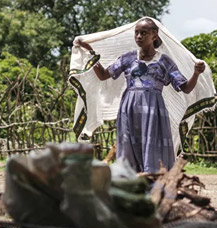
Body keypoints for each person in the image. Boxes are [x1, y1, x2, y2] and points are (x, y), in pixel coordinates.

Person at [77, 18, 206, 173]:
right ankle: (130, 180)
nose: (138, 36)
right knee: (128, 142)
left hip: (154, 110)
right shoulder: (128, 58)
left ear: (154, 35)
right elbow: (104, 75)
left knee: (152, 143)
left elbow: (185, 88)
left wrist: (196, 74)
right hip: (129, 108)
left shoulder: (164, 62)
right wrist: (91, 53)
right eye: (136, 33)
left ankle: (153, 178)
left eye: (143, 33)